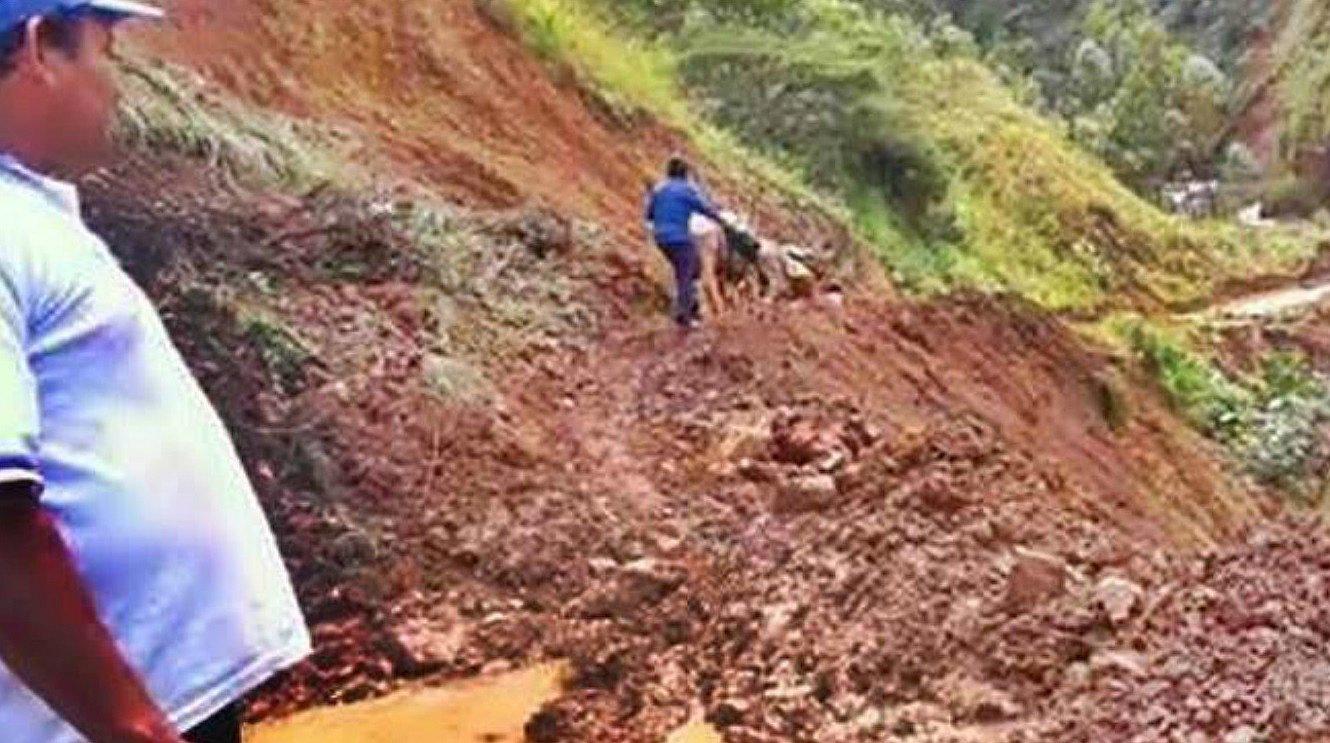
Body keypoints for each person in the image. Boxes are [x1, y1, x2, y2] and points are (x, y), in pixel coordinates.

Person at [0, 2, 310, 741]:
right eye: (107, 51)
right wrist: (126, 720)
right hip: (106, 716)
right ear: (41, 48)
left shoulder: (29, 213)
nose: (120, 84)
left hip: (153, 696)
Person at [645, 157, 726, 329]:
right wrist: (721, 220)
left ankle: (690, 306)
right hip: (678, 238)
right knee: (687, 273)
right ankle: (685, 316)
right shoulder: (686, 190)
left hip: (660, 238)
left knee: (690, 268)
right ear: (686, 174)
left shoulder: (659, 190)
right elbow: (705, 208)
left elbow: (649, 214)